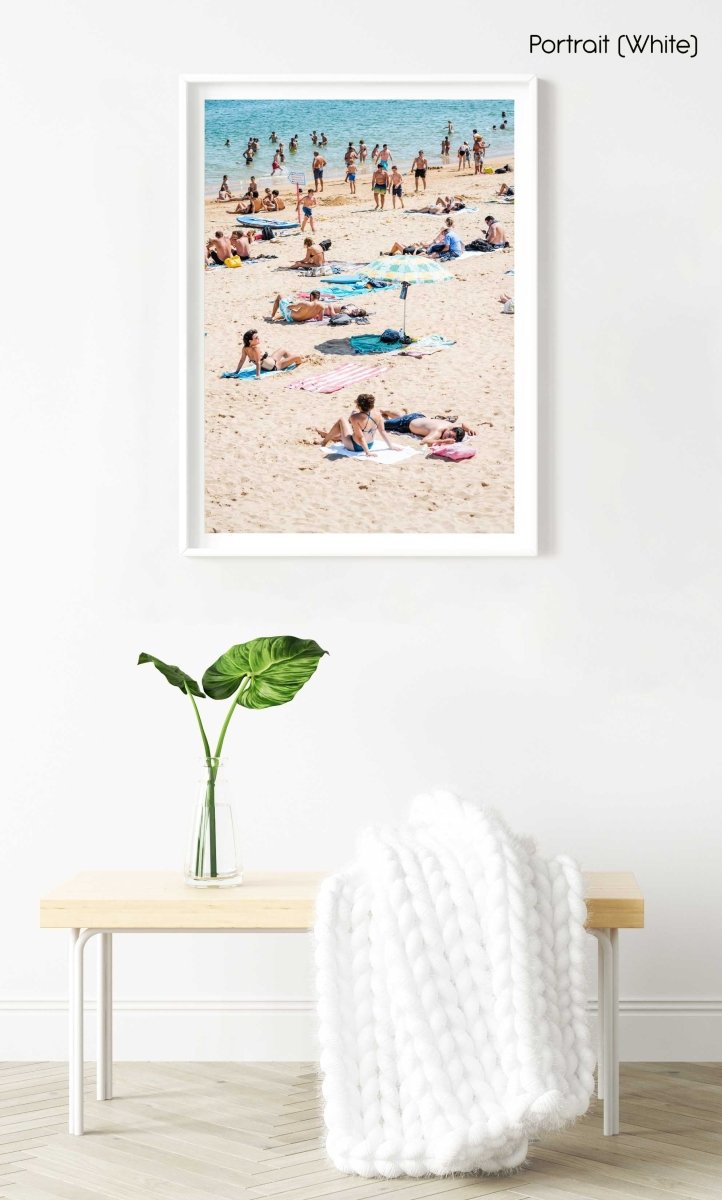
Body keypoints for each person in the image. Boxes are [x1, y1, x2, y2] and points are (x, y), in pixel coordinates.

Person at [316, 393, 400, 458]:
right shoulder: (378, 414)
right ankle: (329, 435)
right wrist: (391, 446)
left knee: (341, 420)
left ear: (359, 405)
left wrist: (367, 452)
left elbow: (360, 437)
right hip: (370, 444)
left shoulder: (355, 417)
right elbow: (382, 431)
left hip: (355, 446)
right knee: (345, 432)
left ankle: (324, 442)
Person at [235, 329, 303, 377]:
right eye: (256, 338)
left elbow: (242, 360)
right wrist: (258, 375)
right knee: (298, 356)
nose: (258, 338)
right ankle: (299, 362)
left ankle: (291, 360)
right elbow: (258, 362)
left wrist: (236, 372)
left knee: (283, 349)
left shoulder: (245, 348)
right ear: (250, 341)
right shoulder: (256, 348)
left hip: (271, 360)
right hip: (275, 367)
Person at [380, 411, 476, 444]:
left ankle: (386, 411)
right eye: (449, 435)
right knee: (380, 424)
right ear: (449, 430)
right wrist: (442, 441)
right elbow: (425, 441)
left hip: (419, 416)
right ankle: (383, 412)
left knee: (401, 417)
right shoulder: (438, 431)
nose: (448, 438)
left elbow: (463, 424)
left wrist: (469, 429)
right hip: (405, 424)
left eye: (452, 438)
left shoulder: (451, 426)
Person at [270, 291, 367, 323]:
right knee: (292, 311)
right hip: (297, 319)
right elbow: (320, 319)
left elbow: (290, 307)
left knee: (280, 296)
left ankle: (271, 316)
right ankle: (276, 317)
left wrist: (291, 305)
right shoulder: (321, 306)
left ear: (311, 296)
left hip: (291, 317)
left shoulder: (305, 303)